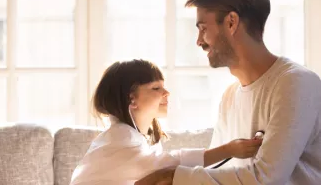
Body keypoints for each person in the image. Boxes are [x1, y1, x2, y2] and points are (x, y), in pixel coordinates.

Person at [135, 0, 321, 184]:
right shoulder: (231, 96)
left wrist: (173, 177)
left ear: (231, 22)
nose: (198, 41)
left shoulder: (296, 83)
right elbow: (219, 171)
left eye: (203, 28)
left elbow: (267, 178)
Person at [70, 59, 262, 185]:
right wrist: (228, 150)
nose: (166, 93)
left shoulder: (138, 137)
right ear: (132, 99)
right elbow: (168, 164)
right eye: (156, 88)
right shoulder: (119, 139)